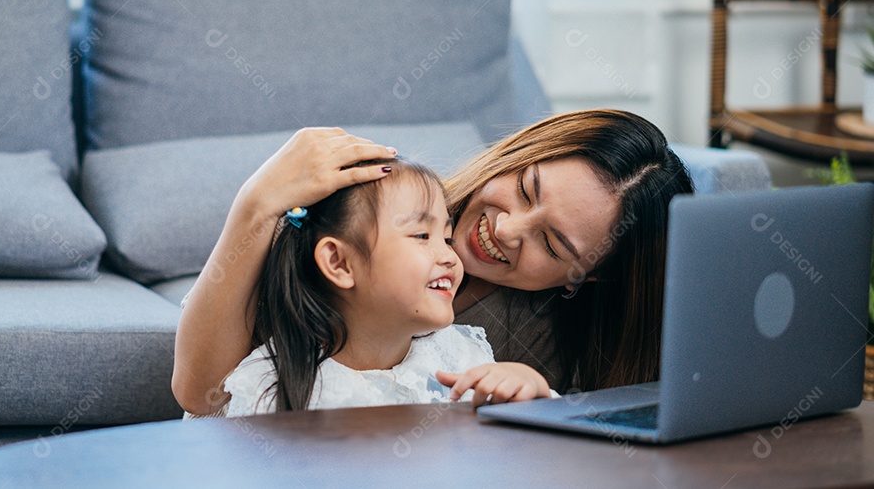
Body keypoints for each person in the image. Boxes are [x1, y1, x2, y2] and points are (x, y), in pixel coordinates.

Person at [173, 109, 694, 416]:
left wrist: (538, 406)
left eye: (553, 246)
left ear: (588, 276)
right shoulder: (370, 215)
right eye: (524, 188)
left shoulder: (532, 345)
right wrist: (256, 203)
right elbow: (203, 395)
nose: (506, 230)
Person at [223, 158, 553, 416]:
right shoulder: (269, 385)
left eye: (447, 238)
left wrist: (531, 393)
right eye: (423, 236)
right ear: (340, 263)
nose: (451, 257)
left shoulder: (462, 356)